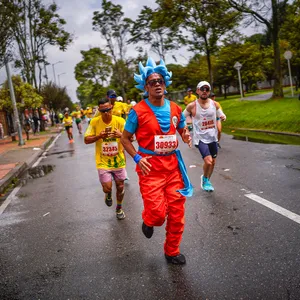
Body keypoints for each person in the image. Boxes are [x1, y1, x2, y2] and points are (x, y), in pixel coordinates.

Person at [121, 57, 193, 265]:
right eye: (152, 82)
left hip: (172, 168)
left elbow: (181, 128)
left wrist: (185, 135)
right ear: (146, 87)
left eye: (160, 80)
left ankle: (172, 251)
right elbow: (125, 139)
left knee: (177, 212)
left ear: (165, 83)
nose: (157, 84)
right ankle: (148, 221)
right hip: (150, 169)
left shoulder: (176, 109)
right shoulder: (137, 111)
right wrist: (136, 157)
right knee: (157, 214)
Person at [84, 98, 126, 220]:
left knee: (121, 187)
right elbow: (86, 140)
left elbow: (132, 138)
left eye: (108, 110)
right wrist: (99, 136)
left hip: (118, 160)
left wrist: (121, 135)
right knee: (107, 187)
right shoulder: (94, 122)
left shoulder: (120, 121)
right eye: (103, 111)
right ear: (99, 111)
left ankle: (119, 208)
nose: (106, 113)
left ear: (111, 108)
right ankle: (108, 194)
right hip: (103, 161)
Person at [183, 81, 226, 192]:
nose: (204, 91)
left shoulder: (214, 104)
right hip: (200, 138)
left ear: (209, 91)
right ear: (198, 91)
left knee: (213, 162)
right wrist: (186, 127)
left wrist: (222, 117)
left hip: (213, 137)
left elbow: (221, 114)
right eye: (202, 89)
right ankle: (206, 181)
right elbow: (181, 117)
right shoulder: (192, 105)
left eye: (207, 89)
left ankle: (206, 178)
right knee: (208, 161)